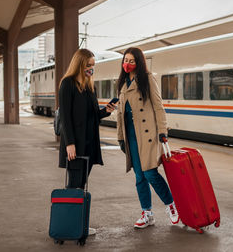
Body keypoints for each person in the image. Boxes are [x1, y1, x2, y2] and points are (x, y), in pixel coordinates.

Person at [116, 47, 179, 229]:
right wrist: (121, 137)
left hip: (148, 134)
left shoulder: (147, 78)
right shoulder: (122, 83)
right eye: (125, 60)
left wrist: (163, 131)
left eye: (131, 61)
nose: (127, 64)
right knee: (139, 177)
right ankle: (147, 213)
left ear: (138, 63)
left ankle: (171, 206)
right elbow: (121, 114)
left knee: (150, 173)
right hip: (131, 136)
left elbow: (159, 106)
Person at [58, 49, 117, 234]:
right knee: (74, 185)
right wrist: (70, 143)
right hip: (75, 144)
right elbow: (65, 117)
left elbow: (93, 116)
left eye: (93, 66)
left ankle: (79, 224)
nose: (91, 69)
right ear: (79, 65)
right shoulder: (68, 84)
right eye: (88, 66)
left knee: (81, 184)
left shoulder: (90, 86)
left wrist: (105, 111)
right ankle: (69, 225)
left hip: (90, 144)